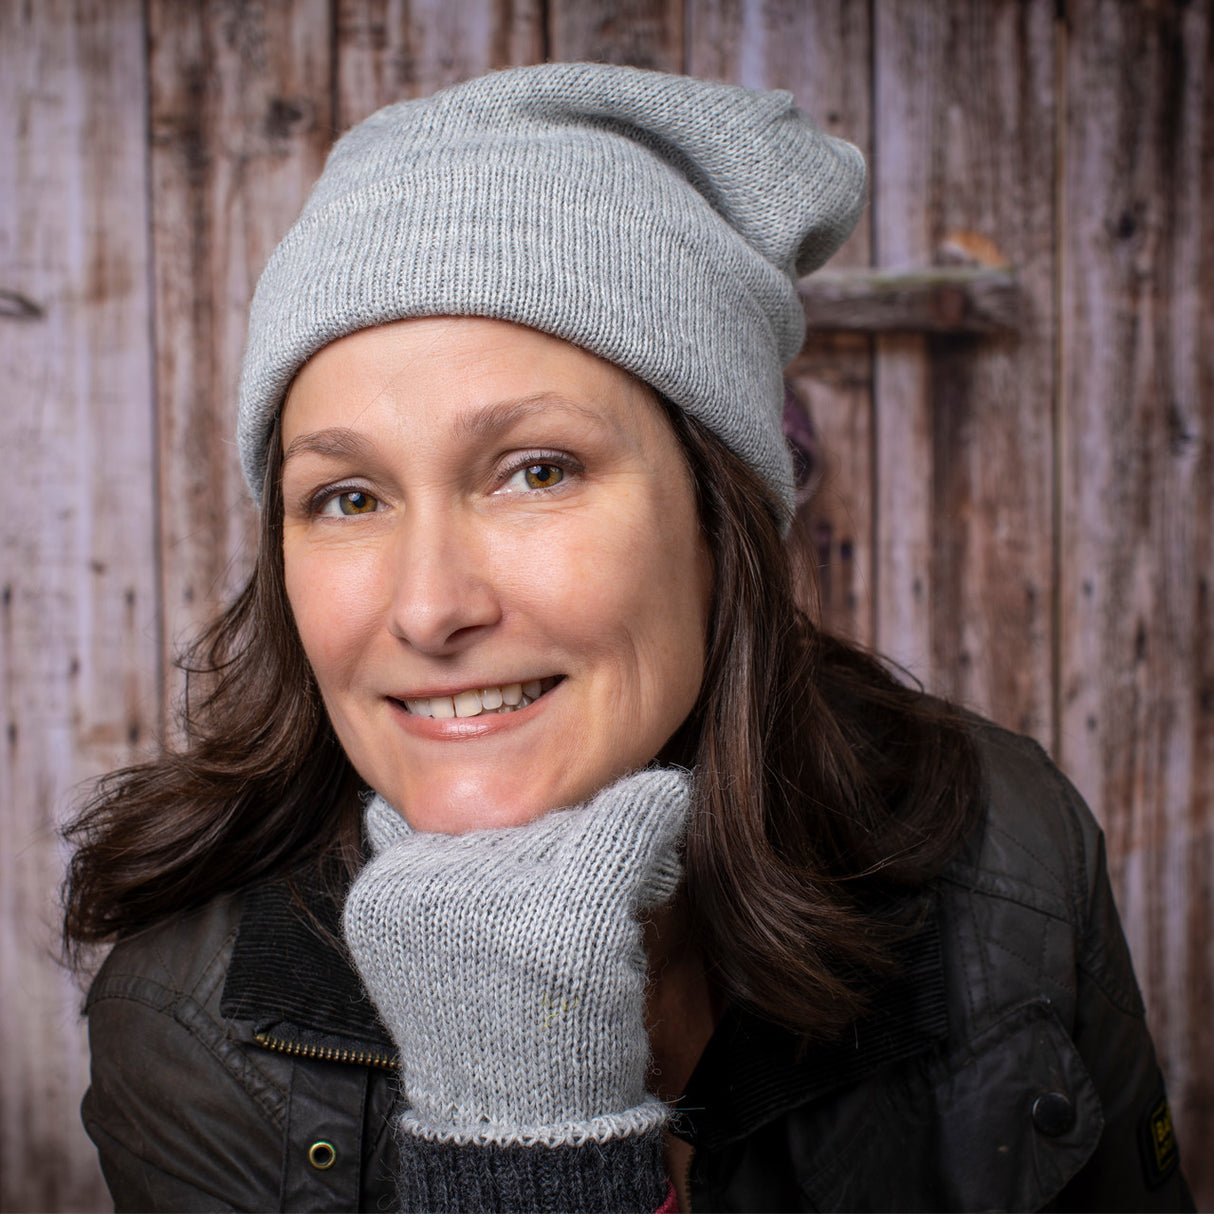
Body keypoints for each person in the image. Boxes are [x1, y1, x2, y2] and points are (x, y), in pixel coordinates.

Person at [64, 63, 1193, 1213]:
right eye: (347, 496)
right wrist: (522, 1150)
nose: (428, 607)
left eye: (535, 471)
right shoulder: (191, 1020)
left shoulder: (1003, 849)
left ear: (717, 519)